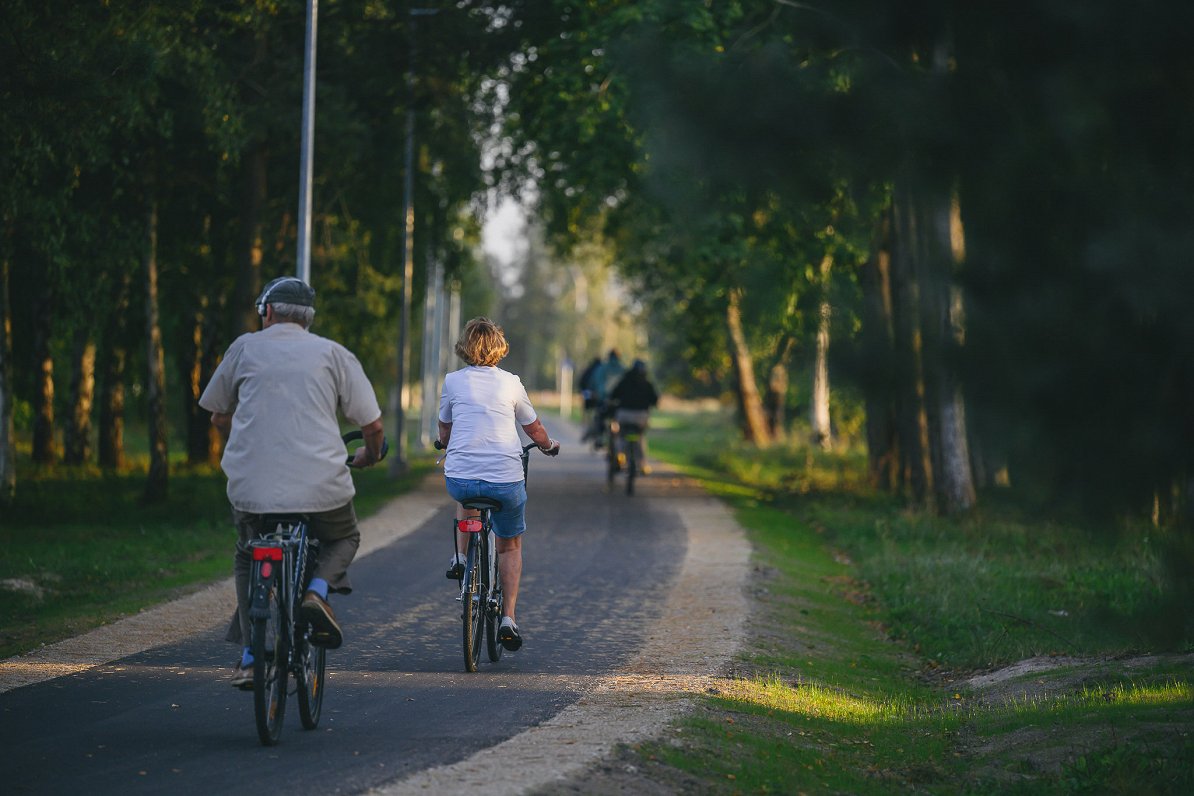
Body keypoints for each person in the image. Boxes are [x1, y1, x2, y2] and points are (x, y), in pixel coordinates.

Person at [199, 276, 386, 689]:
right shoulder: (332, 354)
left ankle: (250, 656)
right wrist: (370, 456)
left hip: (252, 488)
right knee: (343, 538)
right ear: (309, 319)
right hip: (321, 486)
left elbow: (216, 414)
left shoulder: (243, 348)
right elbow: (371, 424)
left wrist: (250, 439)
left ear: (266, 311)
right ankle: (316, 592)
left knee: (249, 554)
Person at [437, 317, 559, 652]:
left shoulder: (452, 381)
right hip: (505, 480)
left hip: (461, 478)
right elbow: (533, 429)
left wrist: (443, 443)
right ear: (498, 348)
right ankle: (508, 618)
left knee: (466, 493)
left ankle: (461, 558)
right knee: (509, 545)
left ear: (465, 346)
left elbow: (444, 430)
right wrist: (549, 446)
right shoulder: (511, 383)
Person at [610, 359, 659, 473]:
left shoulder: (624, 381)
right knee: (640, 437)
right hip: (641, 417)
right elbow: (655, 400)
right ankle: (642, 464)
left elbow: (613, 395)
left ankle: (619, 457)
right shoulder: (647, 384)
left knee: (620, 435)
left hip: (624, 415)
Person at [588, 349, 626, 446]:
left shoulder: (602, 369)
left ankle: (600, 438)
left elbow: (595, 383)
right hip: (620, 401)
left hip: (604, 400)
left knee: (600, 417)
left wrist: (597, 395)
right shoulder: (623, 369)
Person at [577, 356, 602, 441]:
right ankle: (595, 430)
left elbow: (581, 382)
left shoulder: (589, 369)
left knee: (587, 412)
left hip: (587, 394)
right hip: (598, 396)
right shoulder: (602, 370)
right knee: (598, 411)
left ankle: (586, 429)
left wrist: (582, 391)